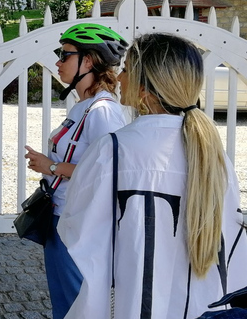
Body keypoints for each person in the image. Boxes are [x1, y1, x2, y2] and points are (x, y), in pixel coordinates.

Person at [59, 33, 247, 318]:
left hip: (131, 302)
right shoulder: (214, 157)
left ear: (146, 89)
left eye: (127, 70)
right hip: (202, 306)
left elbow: (77, 230)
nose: (119, 78)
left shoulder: (113, 150)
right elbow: (231, 240)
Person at [23, 23, 128, 319]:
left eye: (65, 54)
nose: (57, 61)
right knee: (65, 302)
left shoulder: (103, 111)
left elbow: (110, 171)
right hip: (62, 217)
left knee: (74, 304)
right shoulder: (83, 106)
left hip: (78, 223)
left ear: (89, 61)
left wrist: (52, 166)